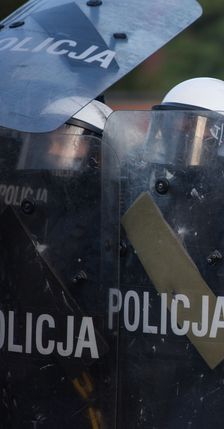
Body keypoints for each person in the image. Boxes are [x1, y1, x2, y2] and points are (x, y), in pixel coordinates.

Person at [113, 77, 224, 428]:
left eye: (191, 125)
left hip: (207, 369)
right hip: (142, 354)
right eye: (172, 123)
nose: (178, 133)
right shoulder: (148, 185)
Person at [0, 97, 116, 428]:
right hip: (20, 360)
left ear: (97, 153)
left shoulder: (111, 211)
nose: (55, 149)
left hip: (80, 368)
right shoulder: (30, 199)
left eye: (69, 141)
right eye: (50, 139)